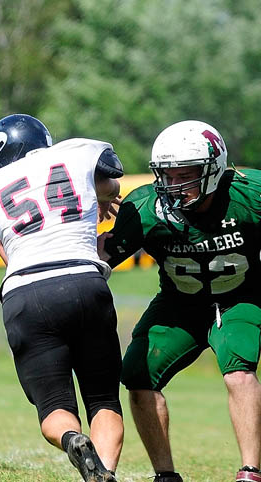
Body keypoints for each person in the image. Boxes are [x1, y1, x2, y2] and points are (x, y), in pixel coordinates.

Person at [0, 114, 124, 482]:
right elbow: (112, 171)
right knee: (103, 400)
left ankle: (71, 439)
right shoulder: (77, 152)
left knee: (54, 407)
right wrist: (106, 193)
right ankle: (106, 473)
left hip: (26, 291)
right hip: (85, 279)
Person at [98, 120, 261, 482]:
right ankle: (165, 475)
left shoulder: (251, 194)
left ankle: (250, 472)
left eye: (184, 175)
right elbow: (103, 255)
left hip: (238, 299)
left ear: (214, 169)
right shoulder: (146, 206)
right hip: (179, 304)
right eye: (167, 175)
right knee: (137, 375)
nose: (174, 185)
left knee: (238, 372)